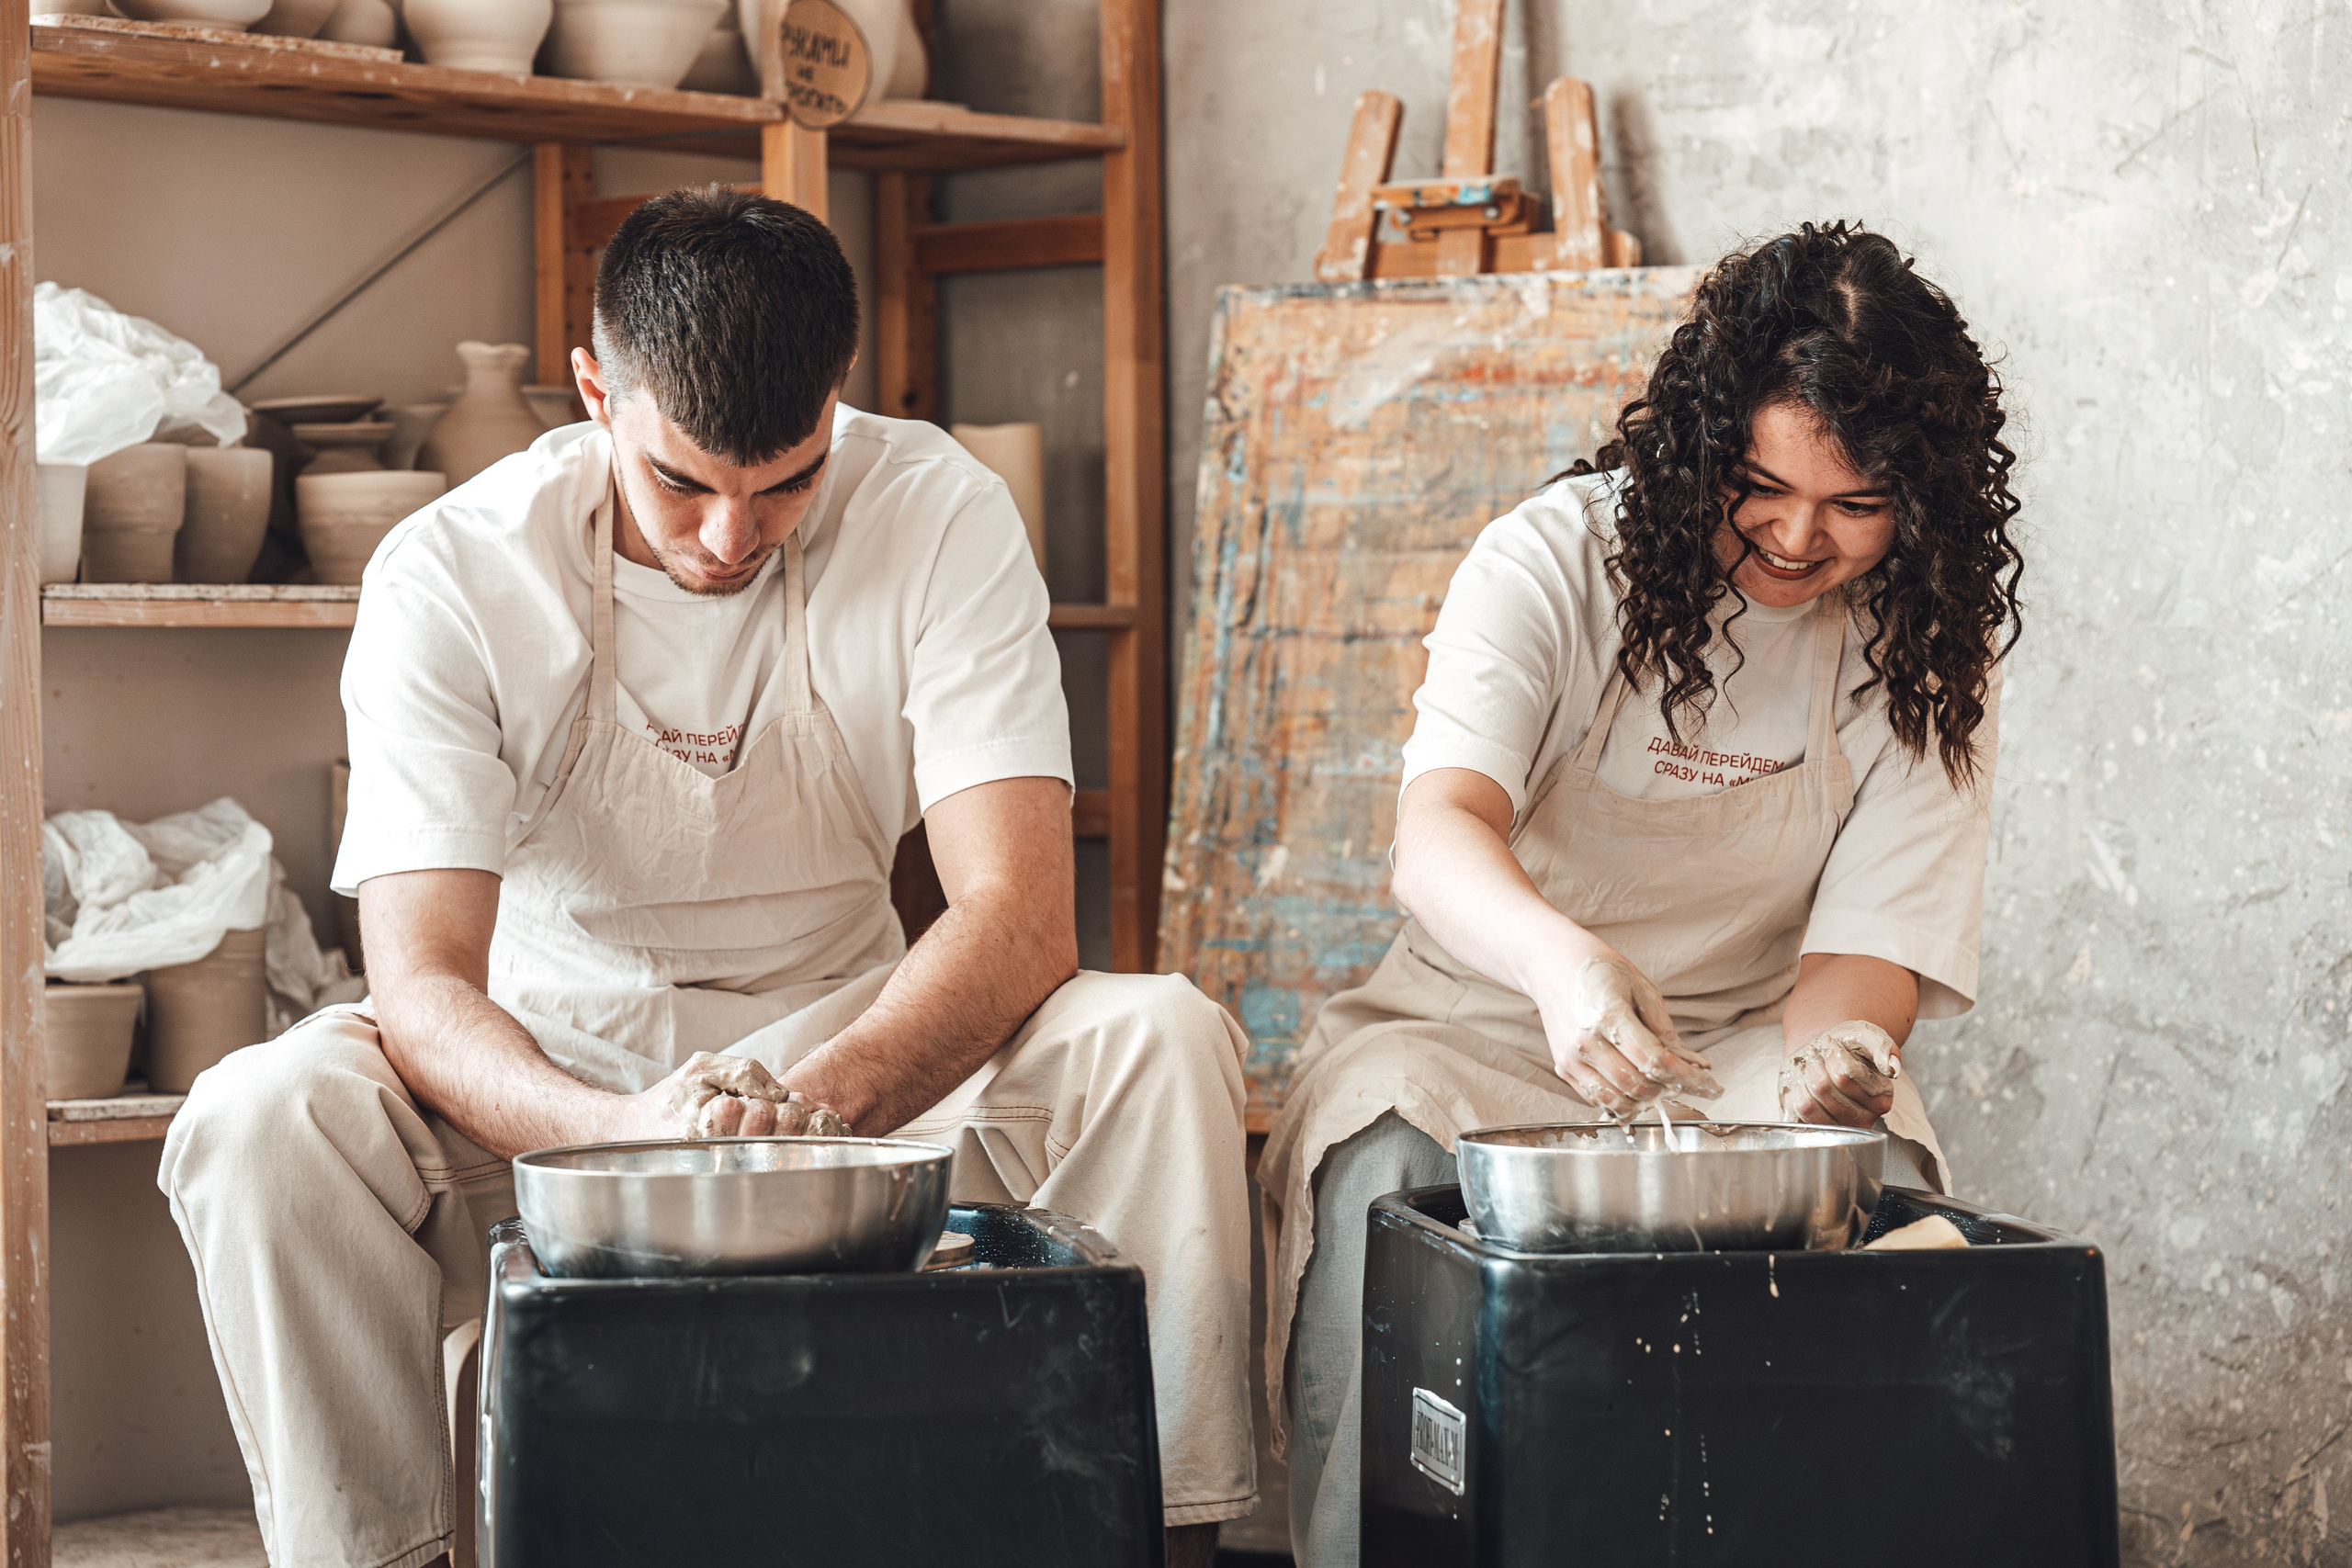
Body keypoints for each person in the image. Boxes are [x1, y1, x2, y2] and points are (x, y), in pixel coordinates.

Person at [159, 187, 1254, 1568]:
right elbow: (424, 984)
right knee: (259, 1116)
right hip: (556, 1067)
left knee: (1160, 1037)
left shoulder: (938, 512)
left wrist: (814, 1113)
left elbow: (1020, 915)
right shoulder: (452, 571)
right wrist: (618, 1141)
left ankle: (1157, 1539)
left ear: (838, 403)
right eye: (683, 483)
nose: (733, 538)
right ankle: (394, 1554)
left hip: (849, 1046)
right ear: (594, 389)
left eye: (785, 482)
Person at [1259, 220, 2025, 1565]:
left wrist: (1840, 1056)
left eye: (1856, 507)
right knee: (1389, 1180)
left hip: (1738, 1050)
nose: (1798, 538)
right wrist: (1563, 969)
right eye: (1761, 486)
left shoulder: (1925, 646)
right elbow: (1437, 835)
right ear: (1696, 446)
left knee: (1890, 1185)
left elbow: (1864, 951)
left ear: (1927, 500)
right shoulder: (1552, 559)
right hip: (1475, 1025)